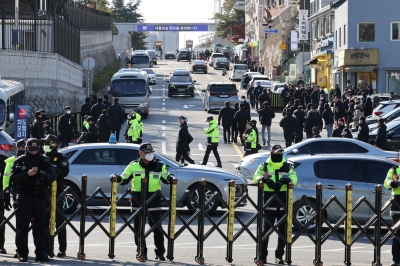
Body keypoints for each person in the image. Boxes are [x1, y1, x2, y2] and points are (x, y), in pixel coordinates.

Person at [110, 143, 173, 261]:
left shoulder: (160, 166)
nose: (150, 155)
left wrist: (171, 178)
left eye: (151, 152)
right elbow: (124, 178)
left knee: (156, 227)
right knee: (138, 228)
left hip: (154, 198)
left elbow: (166, 178)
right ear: (141, 153)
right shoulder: (133, 165)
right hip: (137, 198)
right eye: (147, 152)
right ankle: (141, 251)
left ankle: (160, 252)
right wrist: (117, 178)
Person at [10, 138, 56, 262]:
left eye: (36, 150)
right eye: (31, 150)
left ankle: (41, 252)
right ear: (26, 149)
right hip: (24, 197)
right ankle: (22, 253)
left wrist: (41, 174)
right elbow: (14, 178)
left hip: (40, 197)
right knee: (22, 227)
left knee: (40, 227)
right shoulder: (20, 161)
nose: (34, 152)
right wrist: (26, 174)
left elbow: (52, 176)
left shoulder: (44, 160)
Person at [253, 145, 298, 264]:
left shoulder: (288, 165)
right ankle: (262, 255)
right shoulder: (265, 165)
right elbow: (255, 177)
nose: (279, 155)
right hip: (269, 199)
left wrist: (287, 180)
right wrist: (264, 179)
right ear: (272, 153)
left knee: (283, 230)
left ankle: (279, 256)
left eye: (280, 153)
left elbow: (294, 177)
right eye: (277, 153)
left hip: (283, 198)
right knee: (266, 229)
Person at [42, 135, 69, 258]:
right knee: (44, 223)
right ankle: (47, 249)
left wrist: (51, 167)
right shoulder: (41, 157)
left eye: (49, 142)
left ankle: (62, 249)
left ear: (55, 144)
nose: (46, 145)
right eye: (45, 142)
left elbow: (64, 172)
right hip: (43, 194)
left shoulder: (60, 157)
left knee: (59, 222)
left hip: (57, 194)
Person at [3, 139, 26, 257]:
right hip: (18, 195)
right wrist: (6, 194)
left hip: (35, 195)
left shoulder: (37, 159)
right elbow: (6, 179)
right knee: (20, 225)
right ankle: (20, 249)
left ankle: (44, 249)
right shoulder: (12, 161)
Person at [384, 160, 400, 266]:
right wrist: (393, 183)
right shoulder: (394, 170)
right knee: (396, 234)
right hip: (397, 204)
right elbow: (386, 183)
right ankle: (396, 260)